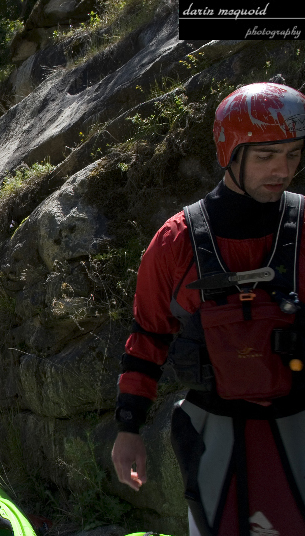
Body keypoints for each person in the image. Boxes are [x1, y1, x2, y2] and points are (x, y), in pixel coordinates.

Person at [110, 81, 305, 536]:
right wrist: (128, 427)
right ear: (229, 153)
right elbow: (148, 338)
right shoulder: (176, 241)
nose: (284, 169)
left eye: (294, 154)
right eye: (266, 155)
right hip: (215, 433)